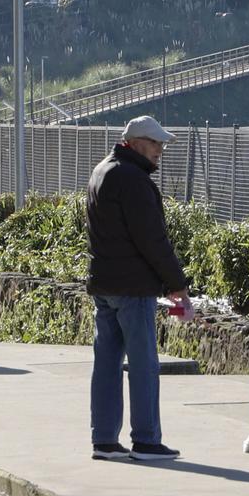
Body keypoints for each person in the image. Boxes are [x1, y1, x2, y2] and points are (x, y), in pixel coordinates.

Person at [85, 115, 189, 462]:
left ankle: (104, 440)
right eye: (155, 142)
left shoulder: (103, 171)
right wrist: (177, 285)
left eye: (161, 143)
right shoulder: (133, 179)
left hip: (105, 283)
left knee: (107, 364)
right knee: (144, 365)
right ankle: (145, 440)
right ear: (134, 143)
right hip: (133, 287)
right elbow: (152, 239)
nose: (160, 149)